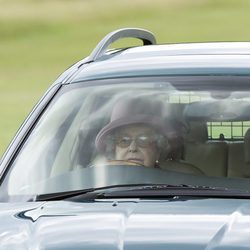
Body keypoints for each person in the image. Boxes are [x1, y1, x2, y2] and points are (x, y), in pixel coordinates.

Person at [95, 97, 204, 174]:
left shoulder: (180, 184)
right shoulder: (97, 183)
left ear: (159, 148)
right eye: (124, 140)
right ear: (114, 148)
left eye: (144, 139)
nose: (133, 148)